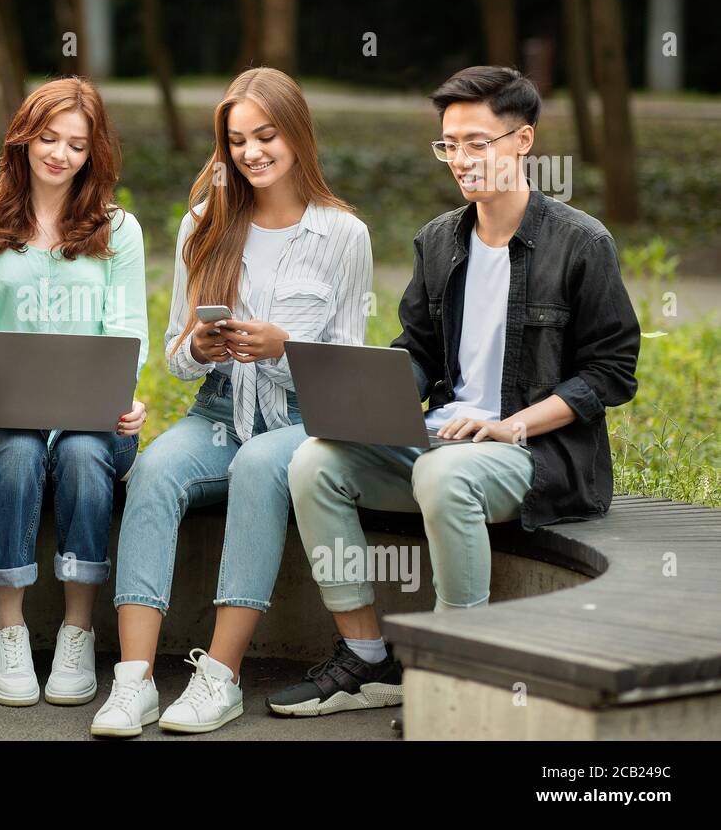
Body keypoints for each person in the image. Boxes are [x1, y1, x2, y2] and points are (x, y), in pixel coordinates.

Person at [272, 66, 641, 718]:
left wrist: (513, 425)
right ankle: (367, 659)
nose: (462, 160)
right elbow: (416, 350)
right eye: (450, 145)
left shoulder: (582, 244)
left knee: (447, 478)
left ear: (523, 141)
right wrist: (370, 403)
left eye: (478, 142)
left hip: (535, 453)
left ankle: (453, 673)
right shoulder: (440, 241)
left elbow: (611, 371)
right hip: (444, 435)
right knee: (315, 463)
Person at [91, 67, 373, 737]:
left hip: (302, 423)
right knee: (155, 470)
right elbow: (174, 356)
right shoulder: (205, 222)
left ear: (298, 134)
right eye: (238, 140)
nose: (252, 153)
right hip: (217, 411)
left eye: (266, 136)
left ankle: (219, 677)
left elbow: (350, 373)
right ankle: (133, 682)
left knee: (257, 467)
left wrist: (281, 349)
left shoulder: (343, 236)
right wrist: (204, 347)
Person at [0, 77, 148, 708]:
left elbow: (126, 336)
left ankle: (77, 628)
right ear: (23, 139)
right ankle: (7, 628)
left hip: (92, 419)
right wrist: (9, 386)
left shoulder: (118, 230)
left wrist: (123, 397)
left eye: (76, 144)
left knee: (85, 454)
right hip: (0, 409)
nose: (60, 154)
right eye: (48, 138)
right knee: (13, 444)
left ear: (94, 153)